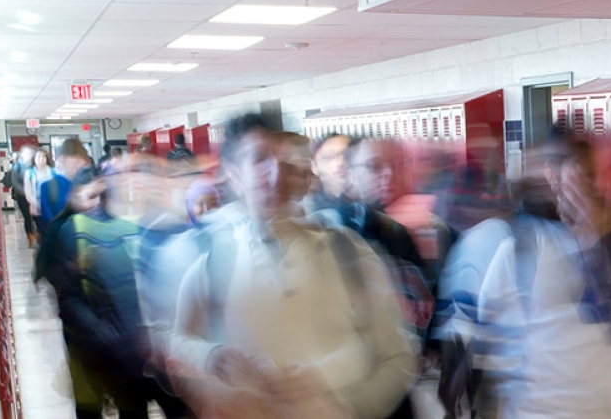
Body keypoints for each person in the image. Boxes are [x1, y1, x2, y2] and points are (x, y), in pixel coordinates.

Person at [147, 113, 416, 419]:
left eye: (285, 160)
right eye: (259, 159)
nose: (276, 173)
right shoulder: (209, 255)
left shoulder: (348, 250)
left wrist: (349, 408)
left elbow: (398, 355)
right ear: (234, 176)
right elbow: (172, 341)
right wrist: (211, 357)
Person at [450, 140, 611, 418]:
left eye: (593, 177)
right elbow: (487, 341)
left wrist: (608, 246)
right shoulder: (520, 248)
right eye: (577, 177)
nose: (586, 190)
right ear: (552, 178)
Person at [43, 178, 193, 418]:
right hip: (120, 355)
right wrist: (108, 338)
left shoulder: (160, 226)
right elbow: (68, 297)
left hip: (162, 355)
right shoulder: (75, 230)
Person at [315, 136, 432, 419]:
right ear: (350, 174)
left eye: (395, 165)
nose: (388, 174)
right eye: (374, 166)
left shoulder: (396, 232)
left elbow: (421, 305)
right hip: (342, 391)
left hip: (392, 386)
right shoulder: (323, 232)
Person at [40, 139, 93, 230]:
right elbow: (47, 222)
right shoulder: (49, 186)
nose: (78, 167)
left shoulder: (90, 185)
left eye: (81, 163)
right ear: (62, 160)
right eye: (74, 162)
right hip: (59, 239)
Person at [306, 133, 352, 214]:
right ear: (314, 166)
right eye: (329, 157)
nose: (340, 162)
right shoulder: (307, 209)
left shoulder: (374, 204)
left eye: (347, 155)